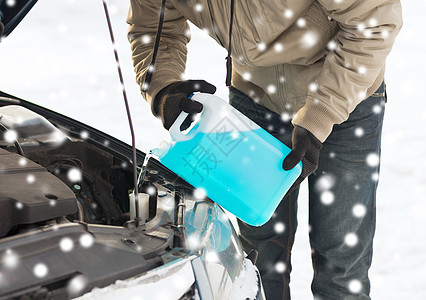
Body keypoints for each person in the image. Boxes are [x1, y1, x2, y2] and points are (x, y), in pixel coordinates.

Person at [127, 0, 402, 299]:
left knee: (341, 259)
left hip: (346, 96)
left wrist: (321, 115)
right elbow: (153, 26)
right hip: (254, 102)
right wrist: (163, 87)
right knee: (260, 259)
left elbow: (374, 23)